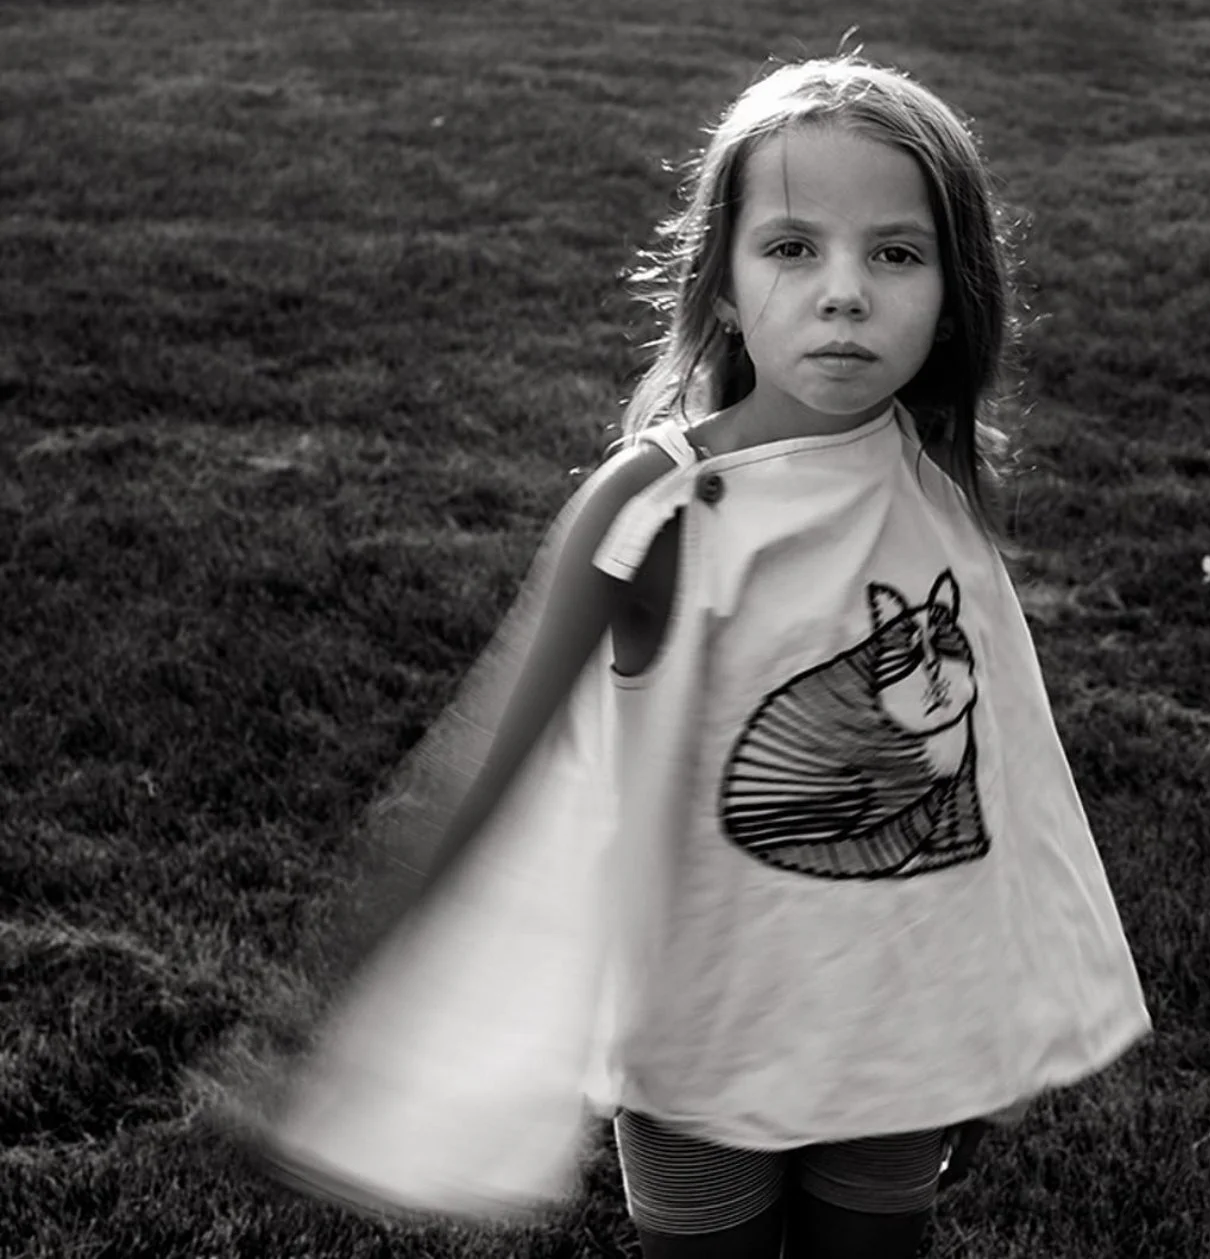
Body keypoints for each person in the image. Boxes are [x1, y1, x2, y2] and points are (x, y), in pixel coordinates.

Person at [233, 49, 1153, 1259]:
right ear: (720, 282)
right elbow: (492, 770)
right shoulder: (659, 506)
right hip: (700, 1045)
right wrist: (353, 988)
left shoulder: (928, 491)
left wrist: (977, 1039)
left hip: (890, 1040)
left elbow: (1000, 782)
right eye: (791, 248)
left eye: (895, 252)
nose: (844, 293)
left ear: (951, 287)